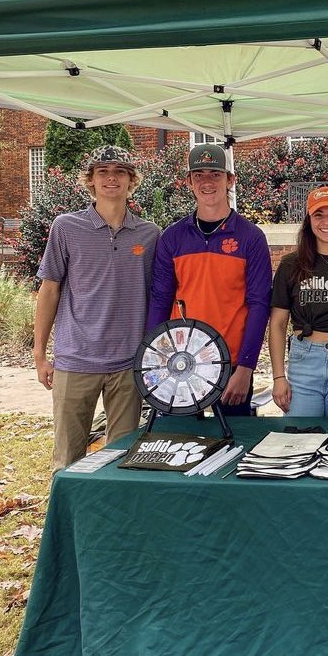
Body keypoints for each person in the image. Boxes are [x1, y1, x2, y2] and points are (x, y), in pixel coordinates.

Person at [34, 145, 159, 469]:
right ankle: (68, 506)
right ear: (90, 180)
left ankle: (114, 506)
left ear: (131, 180)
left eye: (120, 172)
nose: (111, 178)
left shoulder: (150, 235)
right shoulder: (66, 227)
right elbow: (49, 290)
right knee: (68, 460)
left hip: (128, 364)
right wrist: (39, 354)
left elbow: (157, 298)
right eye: (102, 171)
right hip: (75, 360)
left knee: (121, 460)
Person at [147, 143, 272, 415]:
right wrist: (152, 357)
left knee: (234, 438)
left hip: (231, 363)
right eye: (199, 175)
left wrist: (246, 367)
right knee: (179, 439)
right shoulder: (172, 237)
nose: (207, 182)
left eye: (215, 174)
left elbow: (260, 304)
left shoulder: (251, 238)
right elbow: (160, 299)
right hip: (180, 361)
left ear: (230, 180)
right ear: (188, 181)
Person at [269, 186, 328, 417]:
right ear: (309, 221)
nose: (326, 221)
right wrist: (278, 376)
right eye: (318, 215)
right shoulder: (291, 264)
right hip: (304, 360)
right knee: (301, 433)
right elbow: (278, 323)